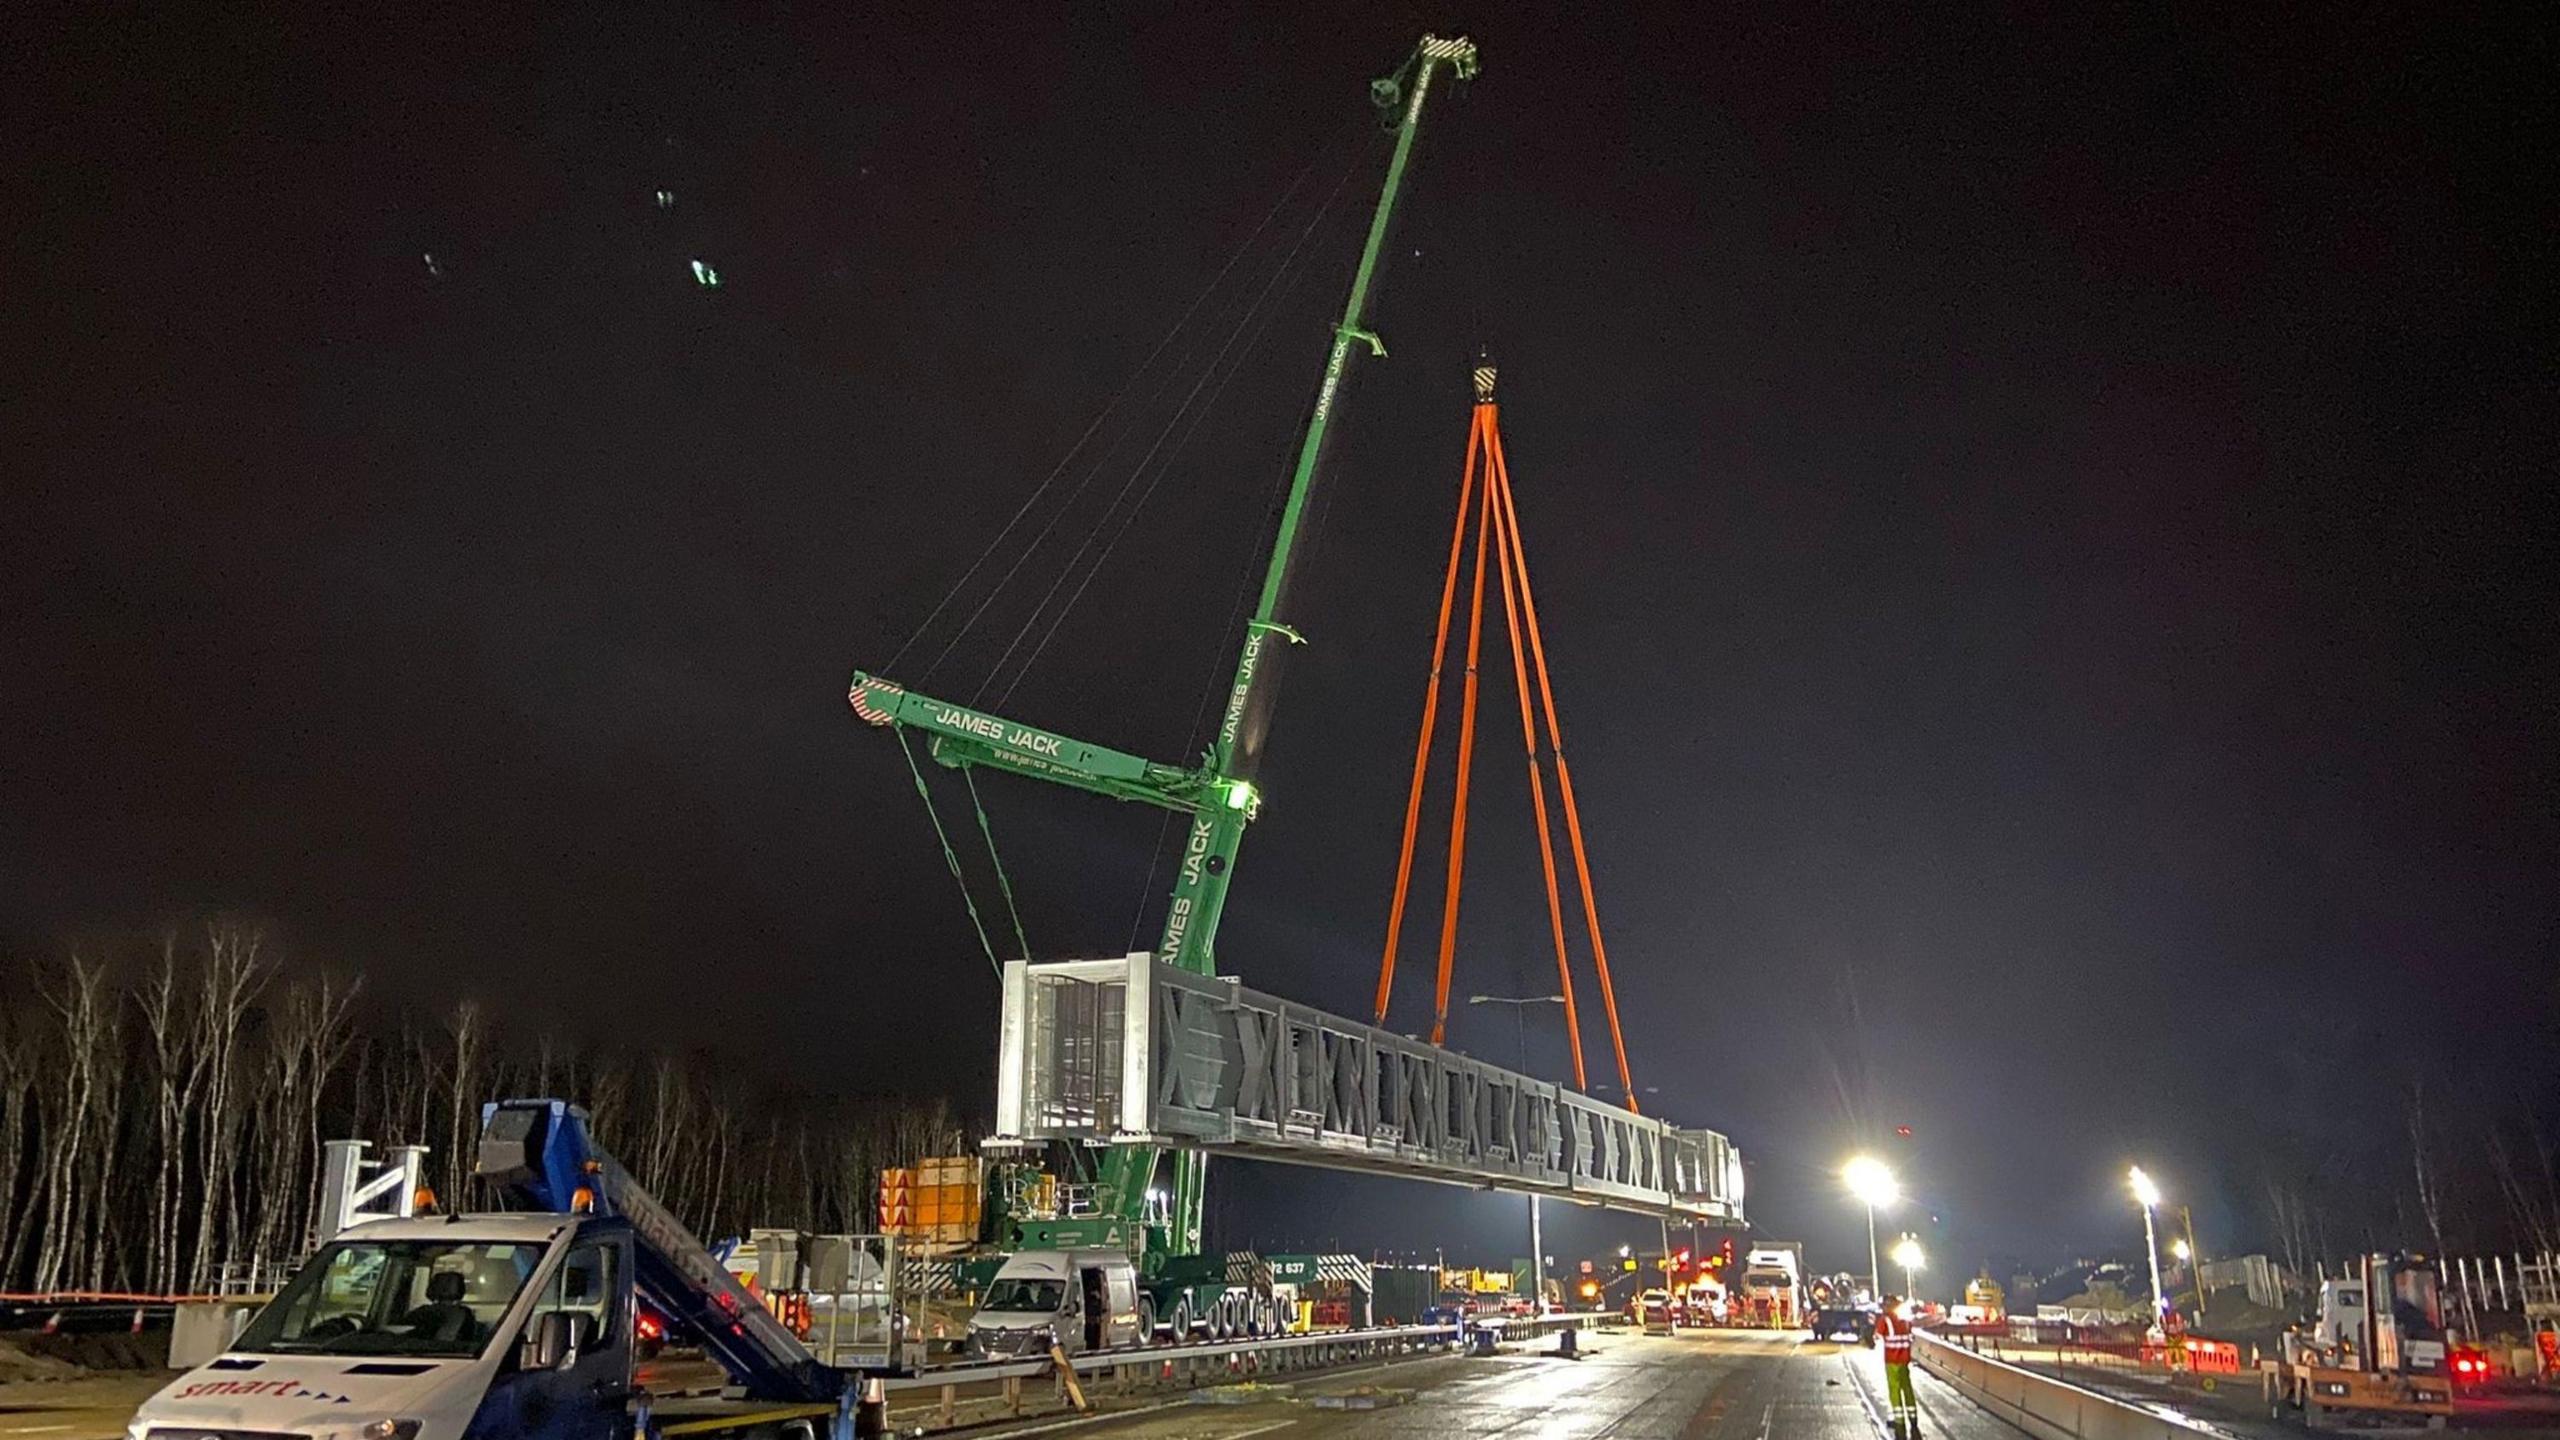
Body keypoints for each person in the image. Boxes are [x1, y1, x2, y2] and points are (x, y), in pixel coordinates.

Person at [1878, 1293, 1918, 1436]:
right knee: (1907, 1389)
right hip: (1905, 1361)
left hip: (1891, 1362)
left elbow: (1877, 1335)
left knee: (1894, 1391)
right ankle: (1913, 1420)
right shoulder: (1906, 1321)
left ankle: (1899, 1422)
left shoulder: (1885, 1321)